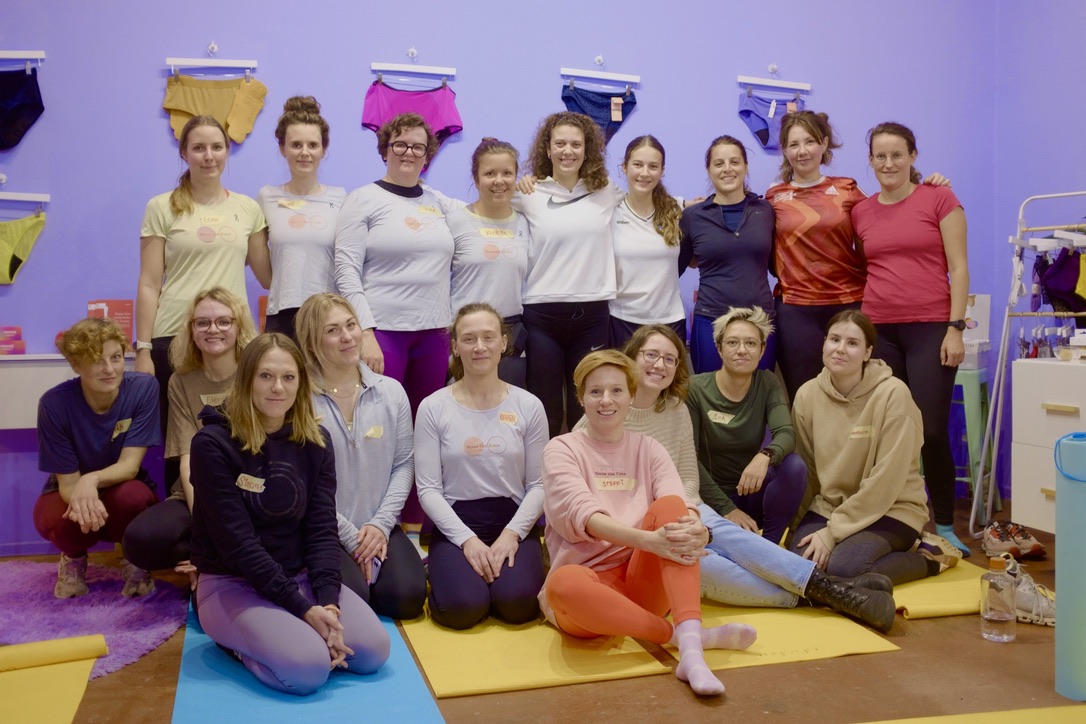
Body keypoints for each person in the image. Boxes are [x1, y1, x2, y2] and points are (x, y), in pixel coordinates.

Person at [574, 324, 896, 631]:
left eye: (670, 359)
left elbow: (688, 475)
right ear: (632, 357)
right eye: (651, 355)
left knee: (730, 536)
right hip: (638, 533)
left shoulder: (676, 409)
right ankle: (832, 592)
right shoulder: (603, 416)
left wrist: (690, 516)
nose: (660, 365)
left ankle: (833, 590)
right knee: (704, 564)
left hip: (683, 509)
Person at [541, 349, 757, 697]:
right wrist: (648, 540)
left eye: (616, 390)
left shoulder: (650, 448)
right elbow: (584, 515)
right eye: (595, 391)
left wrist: (696, 529)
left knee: (673, 508)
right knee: (562, 584)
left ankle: (692, 653)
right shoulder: (561, 448)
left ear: (631, 396)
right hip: (590, 595)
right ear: (581, 398)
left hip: (644, 581)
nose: (606, 400)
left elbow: (678, 500)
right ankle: (684, 639)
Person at [189, 333, 390, 695]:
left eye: (288, 377)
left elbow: (322, 530)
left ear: (301, 383)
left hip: (300, 577)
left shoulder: (316, 442)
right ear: (246, 379)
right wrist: (304, 611)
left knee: (373, 651)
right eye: (265, 376)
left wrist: (328, 604)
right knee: (309, 670)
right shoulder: (212, 444)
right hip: (233, 584)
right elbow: (238, 545)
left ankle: (299, 636)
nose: (277, 388)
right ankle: (237, 645)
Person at [766, 111, 952, 398]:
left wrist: (927, 188)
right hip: (796, 310)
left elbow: (891, 210)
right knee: (805, 396)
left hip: (849, 305)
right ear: (784, 150)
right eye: (794, 144)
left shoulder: (848, 189)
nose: (802, 151)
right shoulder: (773, 196)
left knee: (858, 395)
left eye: (810, 141)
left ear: (824, 144)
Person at [850, 122, 971, 556]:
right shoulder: (861, 211)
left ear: (912, 156)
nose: (888, 163)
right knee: (888, 434)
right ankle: (898, 520)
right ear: (870, 160)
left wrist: (956, 327)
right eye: (880, 156)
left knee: (932, 431)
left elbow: (959, 267)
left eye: (897, 155)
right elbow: (865, 268)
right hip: (879, 330)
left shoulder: (939, 198)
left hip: (931, 328)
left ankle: (944, 524)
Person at [790, 310, 961, 584]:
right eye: (834, 339)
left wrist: (832, 533)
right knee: (800, 567)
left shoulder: (894, 395)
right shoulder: (807, 395)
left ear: (868, 352)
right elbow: (807, 470)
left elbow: (886, 481)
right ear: (824, 343)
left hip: (892, 508)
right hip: (831, 507)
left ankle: (929, 558)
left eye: (852, 343)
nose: (840, 349)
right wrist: (798, 530)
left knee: (845, 567)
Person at [136, 115, 269, 444]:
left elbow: (268, 277)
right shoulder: (161, 207)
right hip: (173, 337)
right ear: (184, 152)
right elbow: (149, 284)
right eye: (199, 148)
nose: (209, 156)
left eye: (216, 147)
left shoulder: (249, 209)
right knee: (179, 441)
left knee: (238, 440)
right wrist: (143, 349)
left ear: (227, 151)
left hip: (232, 341)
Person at [415, 303, 548, 629]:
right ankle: (440, 567)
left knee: (519, 605)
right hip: (457, 521)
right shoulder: (433, 407)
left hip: (512, 520)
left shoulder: (529, 405)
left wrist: (512, 535)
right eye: (469, 338)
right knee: (462, 609)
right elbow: (428, 489)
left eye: (488, 337)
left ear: (503, 343)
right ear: (455, 347)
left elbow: (539, 485)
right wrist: (466, 540)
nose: (479, 347)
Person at [295, 293, 426, 619]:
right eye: (332, 330)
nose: (348, 336)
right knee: (356, 602)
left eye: (351, 325)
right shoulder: (298, 400)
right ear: (312, 343)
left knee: (407, 598)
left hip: (379, 525)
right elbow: (302, 482)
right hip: (324, 529)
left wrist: (380, 525)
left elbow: (404, 463)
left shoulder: (391, 391)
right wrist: (351, 538)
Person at [122, 287, 256, 577]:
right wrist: (204, 530)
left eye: (224, 321)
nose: (213, 329)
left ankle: (229, 560)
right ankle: (210, 558)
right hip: (197, 492)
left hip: (251, 490)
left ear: (239, 326)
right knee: (141, 541)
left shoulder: (257, 374)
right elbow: (188, 461)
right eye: (202, 322)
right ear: (191, 330)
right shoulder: (180, 381)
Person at [333, 111, 456, 416]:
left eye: (418, 147)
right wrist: (365, 332)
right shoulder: (362, 199)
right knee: (379, 420)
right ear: (385, 150)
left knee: (426, 421)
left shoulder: (437, 201)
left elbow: (485, 209)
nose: (408, 152)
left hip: (435, 333)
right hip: (383, 331)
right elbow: (346, 270)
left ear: (427, 156)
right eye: (400, 144)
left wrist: (525, 187)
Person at [513, 111, 624, 437]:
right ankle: (546, 469)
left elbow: (646, 200)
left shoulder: (606, 190)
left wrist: (690, 204)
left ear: (587, 150)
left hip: (592, 316)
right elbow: (489, 207)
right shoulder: (528, 193)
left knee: (586, 410)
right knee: (545, 410)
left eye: (576, 144)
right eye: (560, 144)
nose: (568, 151)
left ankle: (585, 469)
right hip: (542, 316)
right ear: (547, 149)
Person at [34, 317, 159, 598]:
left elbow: (129, 467)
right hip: (69, 488)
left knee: (134, 500)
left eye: (116, 357)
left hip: (123, 484)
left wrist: (92, 479)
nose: (109, 369)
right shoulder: (54, 404)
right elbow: (69, 484)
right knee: (60, 521)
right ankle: (73, 558)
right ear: (76, 365)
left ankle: (134, 558)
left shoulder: (143, 389)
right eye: (96, 360)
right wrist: (85, 493)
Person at [686, 307, 806, 544]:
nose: (742, 350)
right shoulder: (695, 388)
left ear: (762, 350)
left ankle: (769, 547)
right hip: (710, 499)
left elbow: (786, 433)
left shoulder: (767, 382)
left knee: (794, 466)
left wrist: (765, 455)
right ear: (719, 348)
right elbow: (690, 458)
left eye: (751, 343)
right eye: (732, 342)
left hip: (750, 491)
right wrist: (727, 509)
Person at [679, 136, 776, 374]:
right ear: (708, 170)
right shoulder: (693, 216)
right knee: (709, 392)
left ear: (746, 166)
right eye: (719, 163)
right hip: (710, 321)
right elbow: (678, 266)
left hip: (760, 320)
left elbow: (779, 263)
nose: (727, 169)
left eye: (734, 162)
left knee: (760, 392)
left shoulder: (766, 211)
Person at [259, 96, 346, 339]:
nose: (305, 153)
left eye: (312, 145)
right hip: (281, 314)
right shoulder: (267, 197)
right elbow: (265, 274)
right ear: (283, 149)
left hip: (328, 314)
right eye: (296, 145)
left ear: (323, 149)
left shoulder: (342, 198)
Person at [447, 139, 531, 388]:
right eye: (490, 173)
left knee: (507, 405)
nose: (499, 181)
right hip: (465, 331)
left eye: (507, 173)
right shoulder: (455, 221)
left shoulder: (527, 222)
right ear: (476, 179)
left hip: (511, 332)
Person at [608, 135, 686, 348]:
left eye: (653, 166)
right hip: (622, 319)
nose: (644, 173)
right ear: (624, 167)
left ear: (662, 171)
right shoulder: (610, 210)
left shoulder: (675, 210)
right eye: (637, 165)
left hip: (669, 320)